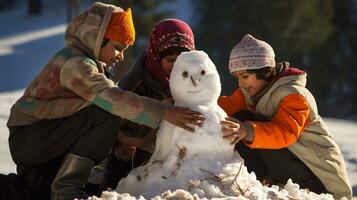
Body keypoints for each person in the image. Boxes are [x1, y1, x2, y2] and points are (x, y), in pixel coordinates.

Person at [6, 3, 204, 200]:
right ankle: (66, 188)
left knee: (34, 192)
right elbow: (112, 100)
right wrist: (164, 112)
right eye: (117, 47)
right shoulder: (76, 64)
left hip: (46, 139)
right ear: (97, 38)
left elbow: (89, 122)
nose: (121, 56)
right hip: (32, 139)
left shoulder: (90, 65)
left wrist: (132, 142)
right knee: (107, 108)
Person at [219, 34, 352, 200]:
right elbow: (223, 108)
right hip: (291, 172)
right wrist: (190, 105)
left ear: (264, 71)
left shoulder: (294, 95)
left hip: (319, 180)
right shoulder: (250, 93)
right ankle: (257, 185)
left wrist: (246, 129)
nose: (240, 83)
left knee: (250, 125)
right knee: (237, 119)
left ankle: (267, 184)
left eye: (245, 76)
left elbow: (285, 133)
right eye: (237, 77)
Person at [95, 18, 196, 192]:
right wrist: (130, 142)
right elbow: (109, 125)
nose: (177, 67)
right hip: (132, 158)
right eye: (171, 60)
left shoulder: (194, 78)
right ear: (156, 56)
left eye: (182, 60)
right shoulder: (135, 84)